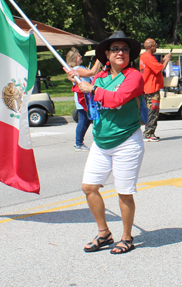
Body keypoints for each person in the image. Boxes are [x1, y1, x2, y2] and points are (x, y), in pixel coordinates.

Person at [67, 31, 145, 254]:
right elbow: (88, 99)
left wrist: (92, 88)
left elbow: (117, 99)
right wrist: (77, 81)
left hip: (127, 140)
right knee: (89, 187)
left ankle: (127, 237)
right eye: (116, 49)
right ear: (107, 55)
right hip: (101, 142)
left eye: (125, 49)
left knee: (124, 192)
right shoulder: (100, 78)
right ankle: (104, 233)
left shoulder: (134, 76)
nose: (121, 52)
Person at [66, 48, 101, 151]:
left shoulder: (78, 68)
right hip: (83, 99)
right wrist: (99, 58)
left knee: (87, 120)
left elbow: (94, 73)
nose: (81, 56)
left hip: (86, 98)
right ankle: (78, 143)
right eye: (78, 55)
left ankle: (79, 142)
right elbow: (92, 72)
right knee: (83, 120)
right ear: (74, 59)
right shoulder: (77, 68)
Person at [139, 39, 172, 142]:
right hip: (152, 87)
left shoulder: (144, 56)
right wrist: (167, 60)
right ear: (150, 47)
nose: (156, 47)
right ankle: (149, 134)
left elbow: (157, 67)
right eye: (155, 45)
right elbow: (160, 70)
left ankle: (148, 132)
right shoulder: (148, 57)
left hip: (149, 87)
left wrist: (162, 60)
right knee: (153, 111)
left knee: (151, 110)